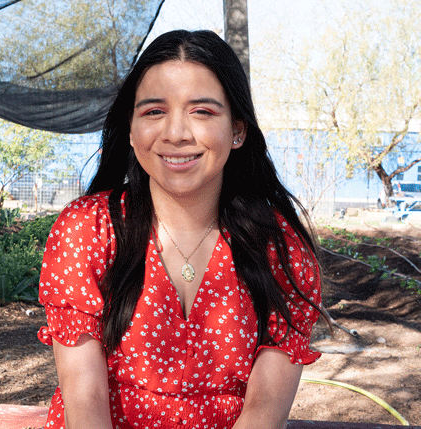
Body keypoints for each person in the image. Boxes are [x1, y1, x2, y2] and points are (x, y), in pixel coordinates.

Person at [37, 29, 323, 429]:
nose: (176, 133)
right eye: (154, 111)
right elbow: (85, 402)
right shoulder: (87, 230)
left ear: (238, 130)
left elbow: (264, 410)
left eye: (202, 112)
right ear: (133, 131)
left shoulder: (280, 249)